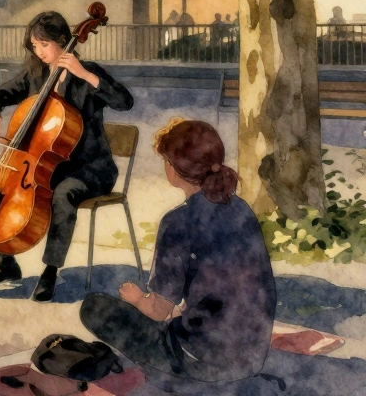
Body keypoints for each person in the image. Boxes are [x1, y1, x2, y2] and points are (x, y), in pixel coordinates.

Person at [81, 119, 275, 386]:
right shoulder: (240, 208)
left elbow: (159, 310)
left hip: (201, 360)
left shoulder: (177, 222)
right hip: (251, 355)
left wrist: (138, 299)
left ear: (173, 169)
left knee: (93, 308)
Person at [0, 11, 133, 302]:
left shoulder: (86, 71)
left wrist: (85, 75)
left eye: (44, 44)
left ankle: (50, 272)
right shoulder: (36, 76)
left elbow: (125, 102)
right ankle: (6, 263)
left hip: (89, 169)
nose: (39, 52)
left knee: (63, 195)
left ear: (62, 40)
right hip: (44, 169)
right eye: (35, 46)